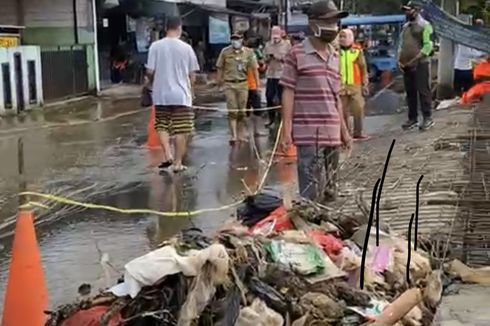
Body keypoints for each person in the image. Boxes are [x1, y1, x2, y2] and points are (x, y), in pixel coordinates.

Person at [280, 0, 351, 203]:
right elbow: (288, 92)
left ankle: (327, 225)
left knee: (331, 190)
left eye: (336, 23)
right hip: (307, 131)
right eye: (328, 22)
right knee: (310, 188)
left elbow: (335, 97)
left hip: (332, 131)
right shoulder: (296, 54)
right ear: (313, 23)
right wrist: (287, 130)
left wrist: (344, 130)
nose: (333, 27)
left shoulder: (335, 55)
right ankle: (310, 223)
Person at [145, 16, 200, 173]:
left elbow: (150, 71)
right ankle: (177, 163)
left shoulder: (155, 47)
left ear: (166, 28)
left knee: (162, 125)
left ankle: (168, 154)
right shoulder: (186, 48)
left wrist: (152, 82)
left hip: (161, 94)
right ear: (179, 28)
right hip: (181, 95)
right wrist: (191, 91)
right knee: (181, 130)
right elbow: (193, 75)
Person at [217, 33, 259, 144]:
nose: (235, 41)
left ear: (242, 40)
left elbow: (255, 69)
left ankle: (241, 133)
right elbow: (220, 68)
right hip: (229, 84)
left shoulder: (249, 53)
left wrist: (257, 86)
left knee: (242, 111)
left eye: (237, 39)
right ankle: (234, 135)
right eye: (233, 39)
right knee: (232, 110)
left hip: (243, 84)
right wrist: (219, 82)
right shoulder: (225, 52)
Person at [399, 1, 435, 131]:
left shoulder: (425, 25)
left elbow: (428, 46)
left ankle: (427, 118)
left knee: (423, 91)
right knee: (410, 92)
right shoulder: (405, 27)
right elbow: (401, 45)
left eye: (409, 10)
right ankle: (412, 118)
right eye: (406, 10)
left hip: (421, 64)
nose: (407, 13)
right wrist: (399, 59)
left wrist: (415, 58)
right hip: (406, 65)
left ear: (417, 10)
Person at [338, 28, 370, 141]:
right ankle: (345, 134)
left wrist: (365, 83)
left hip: (355, 84)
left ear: (351, 38)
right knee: (342, 111)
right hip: (340, 85)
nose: (342, 39)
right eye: (340, 37)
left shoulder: (357, 50)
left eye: (344, 37)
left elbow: (363, 67)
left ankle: (358, 132)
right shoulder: (335, 51)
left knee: (358, 108)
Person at [264, 26, 291, 127]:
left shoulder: (287, 45)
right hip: (271, 74)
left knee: (281, 97)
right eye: (273, 36)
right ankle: (271, 118)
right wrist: (268, 58)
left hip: (282, 74)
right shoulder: (267, 45)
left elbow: (289, 60)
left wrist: (278, 57)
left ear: (281, 35)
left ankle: (282, 119)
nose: (275, 39)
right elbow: (263, 59)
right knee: (269, 96)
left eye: (276, 36)